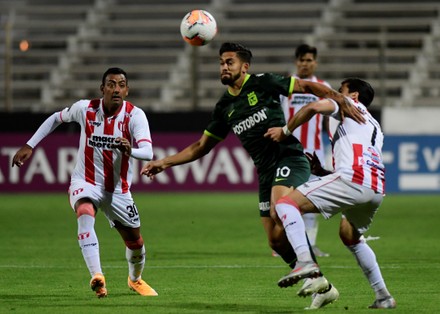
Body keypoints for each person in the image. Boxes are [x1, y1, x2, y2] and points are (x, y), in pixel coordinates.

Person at [141, 43, 363, 309]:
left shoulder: (264, 83)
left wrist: (339, 98)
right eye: (222, 62)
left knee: (279, 208)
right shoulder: (224, 106)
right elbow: (201, 146)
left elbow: (307, 87)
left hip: (289, 156)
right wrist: (164, 162)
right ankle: (322, 285)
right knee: (275, 239)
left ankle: (308, 265)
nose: (224, 66)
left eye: (230, 62)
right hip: (265, 170)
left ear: (244, 66)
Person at [12, 67, 158, 298]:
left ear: (127, 90)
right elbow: (55, 118)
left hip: (118, 191)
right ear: (102, 89)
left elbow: (148, 152)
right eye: (111, 84)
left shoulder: (134, 116)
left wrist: (131, 149)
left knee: (136, 243)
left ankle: (135, 279)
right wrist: (30, 145)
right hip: (86, 181)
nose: (116, 89)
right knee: (84, 210)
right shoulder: (85, 109)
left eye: (121, 85)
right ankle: (97, 276)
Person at [264, 78, 396, 309]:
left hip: (352, 179)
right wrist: (322, 172)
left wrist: (285, 131)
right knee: (350, 236)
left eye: (340, 91)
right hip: (375, 188)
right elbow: (361, 156)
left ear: (353, 96)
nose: (335, 93)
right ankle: (383, 296)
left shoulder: (347, 104)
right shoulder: (375, 126)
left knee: (285, 205)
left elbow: (312, 107)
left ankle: (305, 262)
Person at [280, 43, 331, 257]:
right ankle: (285, 245)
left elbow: (328, 121)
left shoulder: (322, 85)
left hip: (316, 152)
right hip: (289, 152)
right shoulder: (285, 85)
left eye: (309, 60)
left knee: (313, 200)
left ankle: (310, 244)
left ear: (315, 63)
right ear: (296, 62)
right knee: (285, 199)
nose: (305, 64)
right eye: (301, 60)